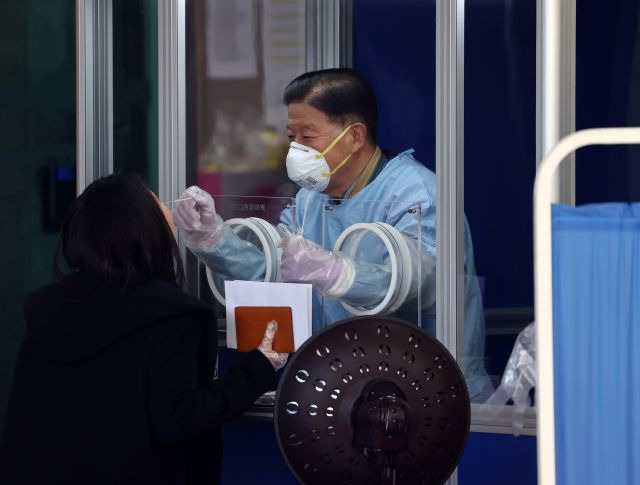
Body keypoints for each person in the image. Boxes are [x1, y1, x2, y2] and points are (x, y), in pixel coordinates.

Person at [173, 68, 493, 402]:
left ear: (354, 137)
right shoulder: (310, 198)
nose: (295, 149)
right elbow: (276, 274)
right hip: (341, 392)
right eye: (291, 137)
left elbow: (425, 283)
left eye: (307, 137)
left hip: (425, 393)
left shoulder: (417, 194)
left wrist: (339, 273)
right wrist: (215, 240)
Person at [0, 173, 287, 485]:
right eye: (158, 204)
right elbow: (180, 417)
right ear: (142, 227)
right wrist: (259, 365)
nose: (168, 211)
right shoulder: (172, 316)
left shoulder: (47, 309)